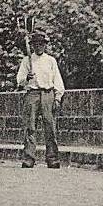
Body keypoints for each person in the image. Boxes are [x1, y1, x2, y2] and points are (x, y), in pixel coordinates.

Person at [16, 32, 65, 168]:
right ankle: (29, 158)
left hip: (47, 94)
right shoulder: (27, 60)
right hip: (32, 94)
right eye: (36, 44)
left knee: (50, 126)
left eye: (41, 44)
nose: (39, 47)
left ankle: (52, 158)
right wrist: (27, 77)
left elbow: (57, 80)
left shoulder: (51, 60)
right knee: (30, 127)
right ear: (32, 46)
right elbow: (19, 80)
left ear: (45, 45)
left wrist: (57, 97)